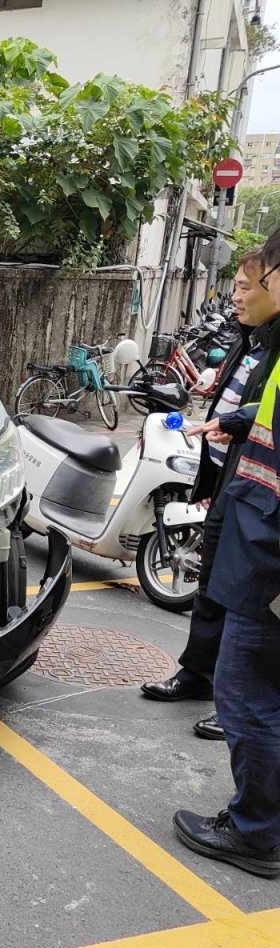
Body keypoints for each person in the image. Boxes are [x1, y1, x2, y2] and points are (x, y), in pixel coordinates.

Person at [172, 230, 280, 879]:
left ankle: (257, 831)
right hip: (259, 533)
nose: (253, 289)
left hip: (267, 550)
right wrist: (234, 425)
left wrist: (254, 569)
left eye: (259, 276)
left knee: (245, 690)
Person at [142, 248, 280, 744]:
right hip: (232, 482)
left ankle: (236, 702)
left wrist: (236, 422)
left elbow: (262, 414)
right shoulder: (251, 340)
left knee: (247, 606)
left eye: (248, 287)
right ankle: (198, 676)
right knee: (213, 587)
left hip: (261, 495)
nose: (236, 297)